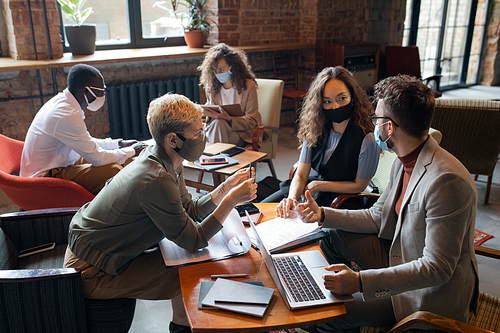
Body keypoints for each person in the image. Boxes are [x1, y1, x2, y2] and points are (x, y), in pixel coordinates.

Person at [295, 75, 479, 332]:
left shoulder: (447, 181)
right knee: (330, 234)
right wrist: (322, 214)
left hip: (425, 294)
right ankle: (337, 296)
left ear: (389, 127)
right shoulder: (402, 160)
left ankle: (342, 313)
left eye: (376, 119)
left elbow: (436, 269)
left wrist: (360, 282)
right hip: (400, 254)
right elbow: (376, 217)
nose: (373, 127)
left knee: (326, 315)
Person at [63, 93, 258, 333]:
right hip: (92, 270)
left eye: (202, 129)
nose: (202, 138)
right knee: (189, 272)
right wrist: (231, 200)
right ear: (173, 139)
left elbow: (190, 210)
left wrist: (225, 188)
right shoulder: (156, 178)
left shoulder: (164, 159)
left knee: (189, 267)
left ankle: (182, 325)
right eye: (197, 134)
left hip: (98, 250)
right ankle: (182, 327)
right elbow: (193, 240)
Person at [264, 66, 379, 209]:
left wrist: (319, 185)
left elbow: (359, 185)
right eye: (327, 101)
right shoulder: (316, 126)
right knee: (265, 208)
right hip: (312, 188)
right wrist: (292, 198)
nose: (335, 106)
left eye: (342, 99)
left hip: (341, 199)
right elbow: (301, 173)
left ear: (353, 97)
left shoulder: (367, 138)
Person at [20, 63, 146, 195]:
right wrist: (132, 150)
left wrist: (119, 144)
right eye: (100, 90)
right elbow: (97, 158)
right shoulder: (65, 115)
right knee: (114, 170)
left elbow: (87, 143)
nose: (103, 94)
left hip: (61, 162)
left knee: (122, 160)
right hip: (45, 177)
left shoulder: (65, 103)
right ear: (85, 91)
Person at [198, 43, 262, 146]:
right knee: (218, 123)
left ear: (232, 67)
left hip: (241, 133)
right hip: (218, 129)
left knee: (218, 125)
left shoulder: (249, 86)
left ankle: (214, 159)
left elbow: (252, 121)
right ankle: (219, 159)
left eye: (221, 69)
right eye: (215, 70)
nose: (218, 73)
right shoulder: (212, 88)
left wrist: (228, 118)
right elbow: (211, 120)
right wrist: (209, 114)